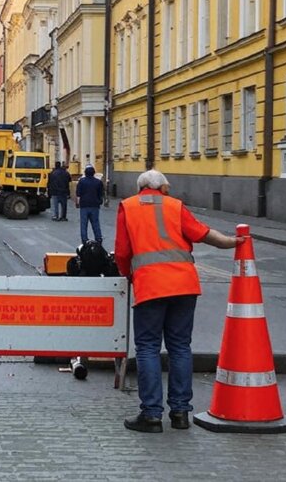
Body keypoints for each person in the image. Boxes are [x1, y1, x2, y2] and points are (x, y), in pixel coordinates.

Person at [115, 169, 241, 433]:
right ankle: (181, 413)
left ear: (141, 188)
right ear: (162, 188)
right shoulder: (175, 206)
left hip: (150, 287)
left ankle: (151, 415)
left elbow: (123, 252)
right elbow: (204, 234)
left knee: (148, 347)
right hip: (184, 286)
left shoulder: (128, 207)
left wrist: (128, 275)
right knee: (180, 347)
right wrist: (235, 242)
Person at [75, 165, 103, 243]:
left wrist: (77, 202)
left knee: (83, 223)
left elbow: (78, 193)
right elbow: (100, 194)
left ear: (85, 173)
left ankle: (84, 239)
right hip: (95, 205)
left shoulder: (82, 181)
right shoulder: (98, 182)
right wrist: (100, 201)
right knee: (95, 222)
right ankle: (98, 237)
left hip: (84, 205)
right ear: (94, 173)